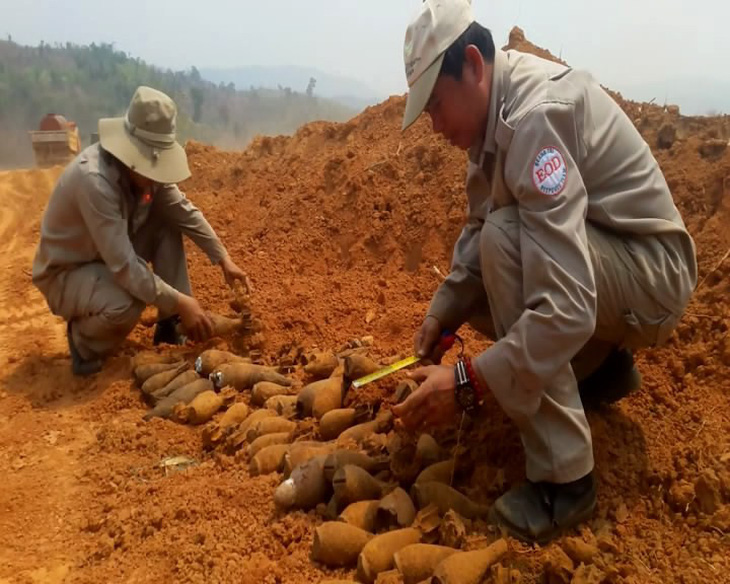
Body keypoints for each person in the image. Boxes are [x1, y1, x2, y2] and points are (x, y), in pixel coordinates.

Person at [393, 0, 697, 544]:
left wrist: (465, 383)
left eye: (436, 105)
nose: (434, 126)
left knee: (507, 244)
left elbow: (567, 305)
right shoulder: (492, 124)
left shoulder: (534, 117)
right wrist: (441, 317)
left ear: (474, 63)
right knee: (493, 247)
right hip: (611, 267)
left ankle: (565, 482)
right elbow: (475, 231)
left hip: (653, 277)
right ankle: (598, 371)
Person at [32, 86, 250, 376]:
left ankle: (170, 327)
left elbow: (183, 211)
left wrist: (223, 258)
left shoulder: (145, 176)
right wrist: (182, 302)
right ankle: (83, 342)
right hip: (67, 273)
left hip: (104, 257)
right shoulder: (94, 181)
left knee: (166, 224)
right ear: (131, 153)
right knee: (128, 299)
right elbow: (125, 268)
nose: (156, 174)